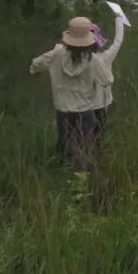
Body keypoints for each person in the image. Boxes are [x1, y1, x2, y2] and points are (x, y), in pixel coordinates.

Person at [30, 15, 125, 169]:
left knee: (63, 144)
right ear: (89, 39)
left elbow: (36, 63)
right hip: (85, 113)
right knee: (86, 148)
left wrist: (35, 71)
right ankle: (83, 179)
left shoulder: (57, 54)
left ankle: (61, 173)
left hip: (63, 111)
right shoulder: (93, 60)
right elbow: (107, 80)